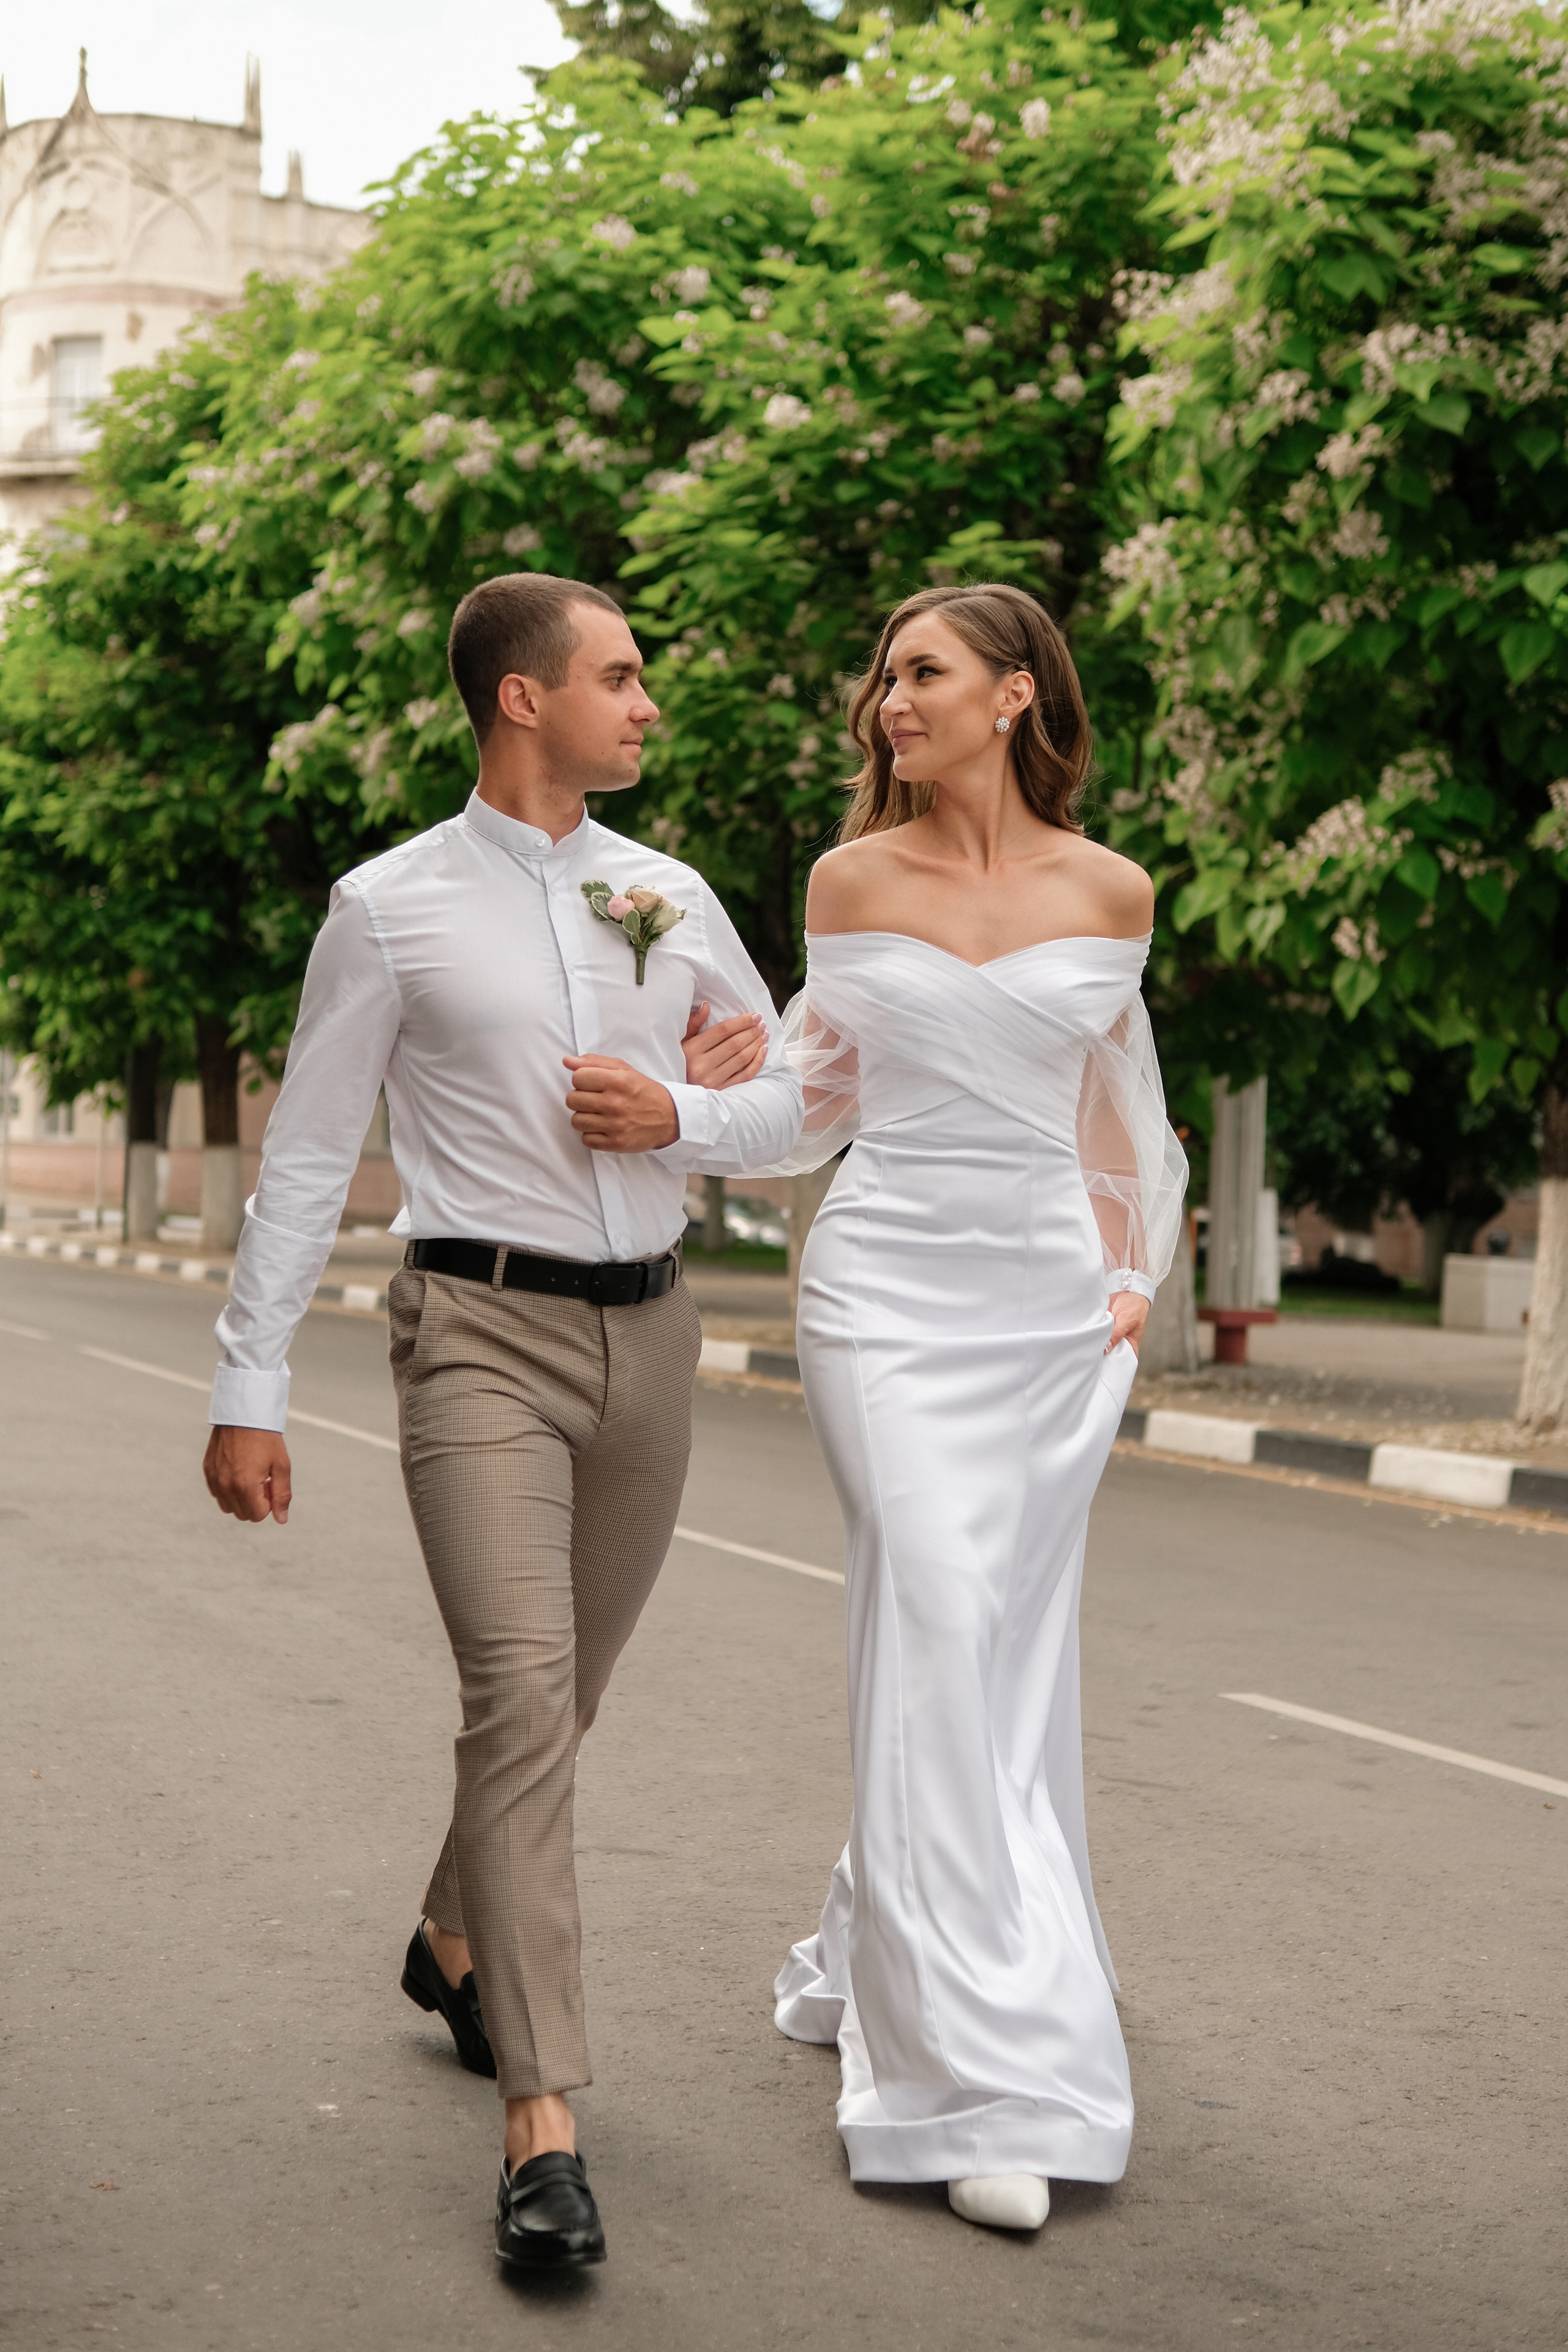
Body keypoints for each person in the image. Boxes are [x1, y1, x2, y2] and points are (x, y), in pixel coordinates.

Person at [202, 573, 802, 2271]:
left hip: (655, 1347)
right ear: (523, 700)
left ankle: (452, 1932)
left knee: (568, 1699)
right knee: (522, 1697)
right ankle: (545, 2128)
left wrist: (685, 1105)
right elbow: (311, 1152)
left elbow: (796, 1105)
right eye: (622, 677)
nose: (649, 706)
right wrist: (250, 1387)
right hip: (473, 1334)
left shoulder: (664, 894)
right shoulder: (388, 906)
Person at [767, 582, 1186, 2233]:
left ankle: (888, 1930)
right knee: (942, 1614)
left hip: (1038, 1320)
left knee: (990, 1652)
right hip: (879, 1295)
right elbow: (808, 1102)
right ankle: (978, 2076)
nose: (889, 700)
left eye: (922, 672)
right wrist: (669, 1105)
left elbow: (1112, 1096)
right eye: (881, 676)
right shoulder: (849, 879)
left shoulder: (1114, 889)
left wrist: (1133, 1267)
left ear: (1016, 697)